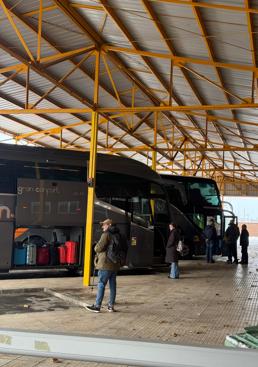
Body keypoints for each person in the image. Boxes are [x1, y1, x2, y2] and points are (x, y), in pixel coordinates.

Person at [86, 219, 121, 313]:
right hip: (114, 264)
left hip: (105, 263)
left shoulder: (106, 234)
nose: (102, 226)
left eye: (104, 225)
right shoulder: (118, 234)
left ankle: (97, 306)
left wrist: (95, 246)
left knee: (101, 284)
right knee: (113, 285)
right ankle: (111, 306)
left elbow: (98, 248)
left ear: (109, 225)